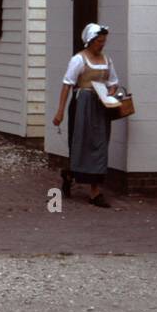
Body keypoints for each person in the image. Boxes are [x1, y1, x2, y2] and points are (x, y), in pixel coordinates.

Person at [53, 22, 118, 207]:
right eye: (98, 41)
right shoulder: (79, 59)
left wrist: (112, 90)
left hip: (101, 105)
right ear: (90, 41)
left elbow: (113, 81)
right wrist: (60, 112)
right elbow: (67, 84)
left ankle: (95, 192)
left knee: (100, 144)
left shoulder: (107, 60)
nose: (102, 44)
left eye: (103, 41)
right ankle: (70, 173)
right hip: (83, 104)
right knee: (81, 143)